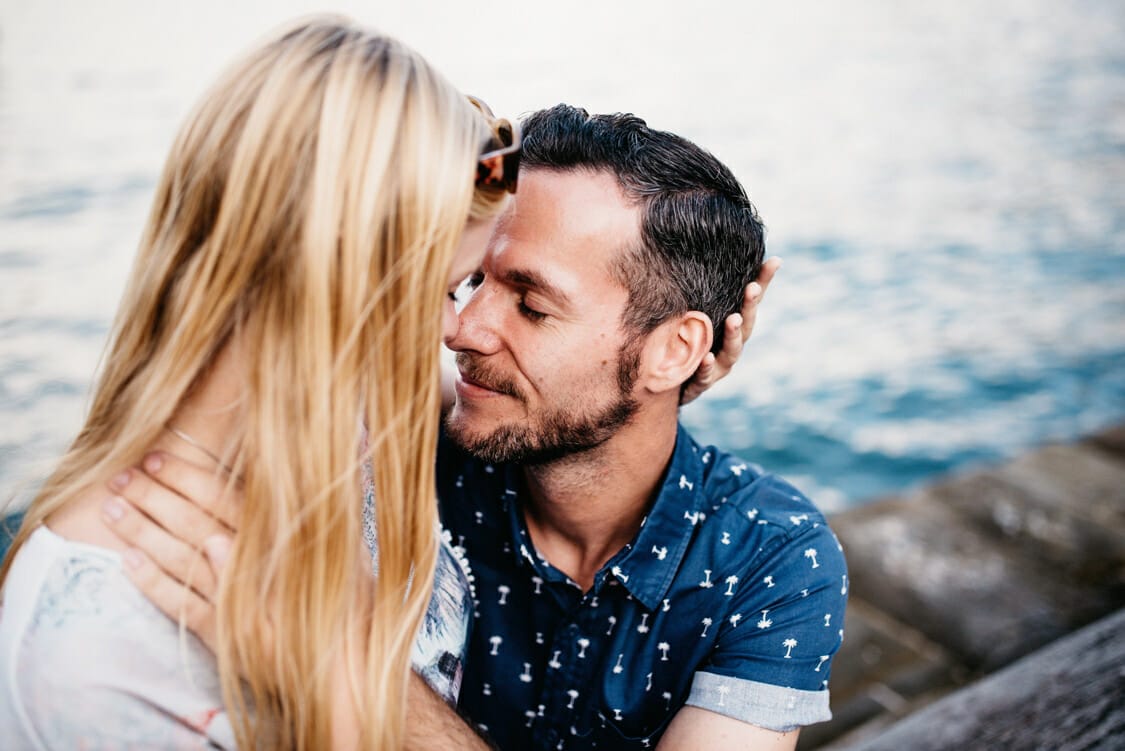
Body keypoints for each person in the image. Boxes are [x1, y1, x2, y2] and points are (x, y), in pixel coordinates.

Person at [100, 103, 839, 751]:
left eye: (531, 304)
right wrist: (641, 386)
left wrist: (348, 665)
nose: (463, 328)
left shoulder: (767, 556)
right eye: (470, 279)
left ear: (674, 347)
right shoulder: (403, 447)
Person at [0, 16, 516, 750]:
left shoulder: (355, 418)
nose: (452, 331)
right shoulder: (97, 651)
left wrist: (660, 366)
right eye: (447, 287)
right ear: (336, 286)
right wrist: (341, 689)